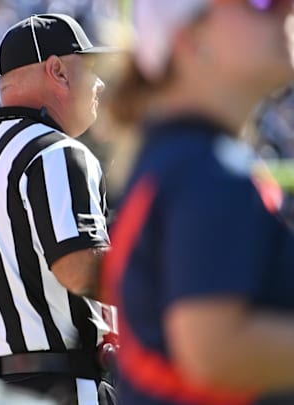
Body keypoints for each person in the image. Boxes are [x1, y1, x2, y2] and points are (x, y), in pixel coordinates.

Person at [100, 0, 294, 404]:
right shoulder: (205, 169)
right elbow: (215, 351)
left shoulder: (180, 158)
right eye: (258, 3)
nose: (285, 8)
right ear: (189, 38)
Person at [0, 13, 117, 404]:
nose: (100, 82)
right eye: (89, 68)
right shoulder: (57, 151)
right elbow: (78, 267)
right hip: (59, 386)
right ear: (57, 71)